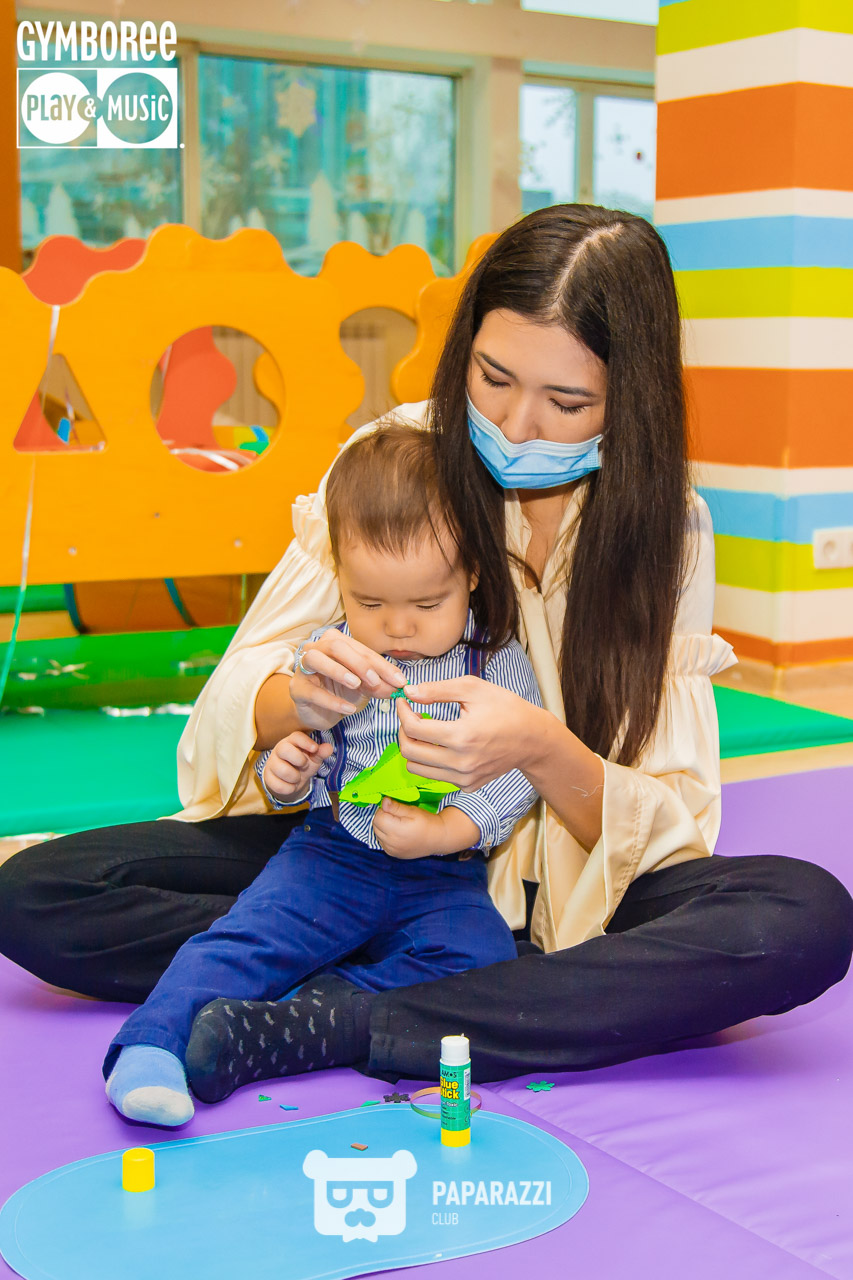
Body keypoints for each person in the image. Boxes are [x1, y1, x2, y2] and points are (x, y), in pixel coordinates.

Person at [1, 205, 851, 1086]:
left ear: (628, 401)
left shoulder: (667, 528)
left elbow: (674, 827)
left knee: (800, 918)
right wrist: (300, 700)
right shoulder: (394, 457)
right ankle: (476, 994)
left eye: (566, 403)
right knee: (41, 894)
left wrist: (537, 746)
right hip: (354, 850)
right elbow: (246, 689)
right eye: (493, 378)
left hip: (578, 890)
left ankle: (341, 1017)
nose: (516, 426)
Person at [102, 424, 541, 1125]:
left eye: (426, 604)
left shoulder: (498, 664)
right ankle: (152, 1045)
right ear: (340, 577)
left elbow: (521, 769)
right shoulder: (330, 655)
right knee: (248, 937)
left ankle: (312, 1008)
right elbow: (300, 769)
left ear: (472, 575)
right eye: (369, 603)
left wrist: (451, 830)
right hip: (331, 856)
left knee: (484, 965)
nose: (397, 627)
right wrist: (287, 772)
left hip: (444, 874)